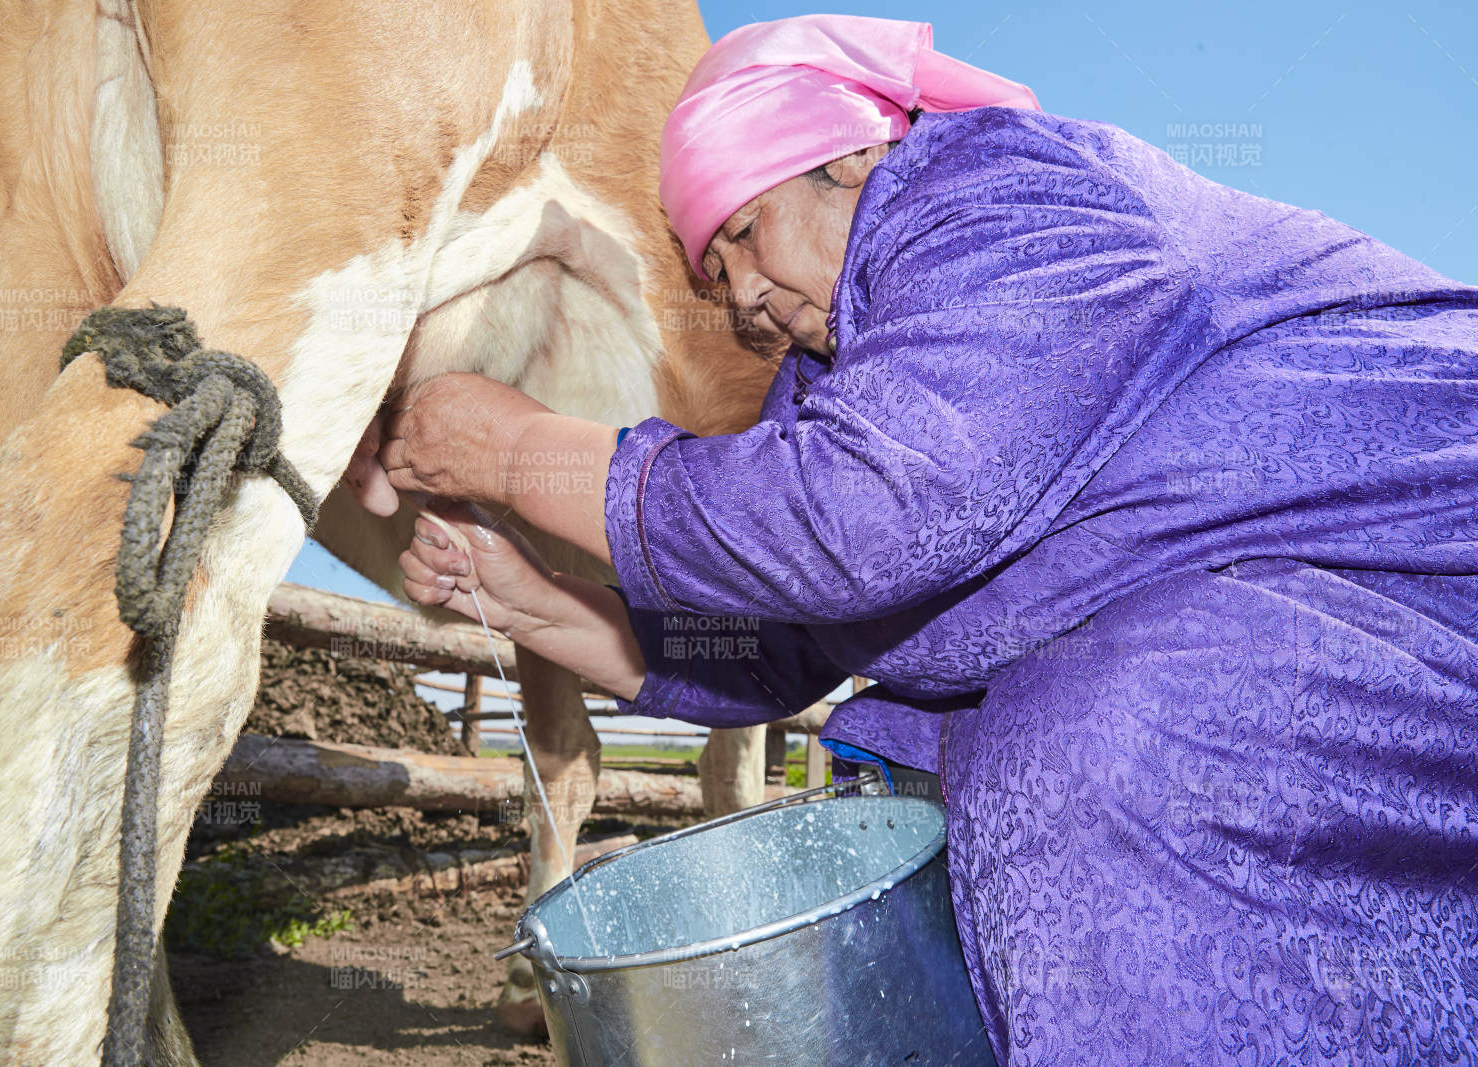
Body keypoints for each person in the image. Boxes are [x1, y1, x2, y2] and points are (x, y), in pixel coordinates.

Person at [343, 14, 1478, 1065]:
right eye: (713, 273)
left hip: (1424, 579)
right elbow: (780, 641)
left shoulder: (1009, 199)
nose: (741, 297)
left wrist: (524, 455)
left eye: (745, 231)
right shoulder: (834, 371)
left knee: (1109, 736)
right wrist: (527, 595)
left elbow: (862, 520)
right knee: (976, 764)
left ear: (845, 157)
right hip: (1253, 613)